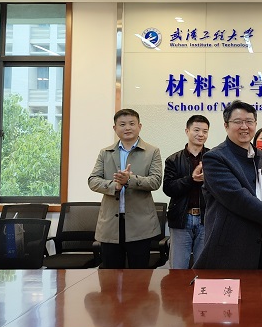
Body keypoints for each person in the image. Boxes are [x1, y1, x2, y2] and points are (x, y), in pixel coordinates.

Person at [194, 100, 262, 269]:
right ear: (226, 125)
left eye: (249, 121)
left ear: (255, 124)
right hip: (233, 247)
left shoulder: (261, 156)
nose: (244, 127)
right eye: (238, 121)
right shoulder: (214, 158)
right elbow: (238, 198)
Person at [89, 108, 162, 269]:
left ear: (139, 126)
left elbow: (156, 181)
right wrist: (115, 185)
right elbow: (93, 180)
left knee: (139, 275)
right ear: (115, 128)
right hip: (110, 224)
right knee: (110, 275)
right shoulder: (105, 153)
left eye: (131, 123)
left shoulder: (152, 152)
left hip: (140, 224)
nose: (127, 128)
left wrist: (130, 180)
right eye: (122, 124)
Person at [162, 114, 210, 269]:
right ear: (187, 131)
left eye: (205, 131)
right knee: (178, 268)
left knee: (203, 268)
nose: (201, 134)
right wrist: (191, 179)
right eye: (196, 130)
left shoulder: (214, 158)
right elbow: (168, 188)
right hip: (181, 219)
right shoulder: (173, 160)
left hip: (206, 219)